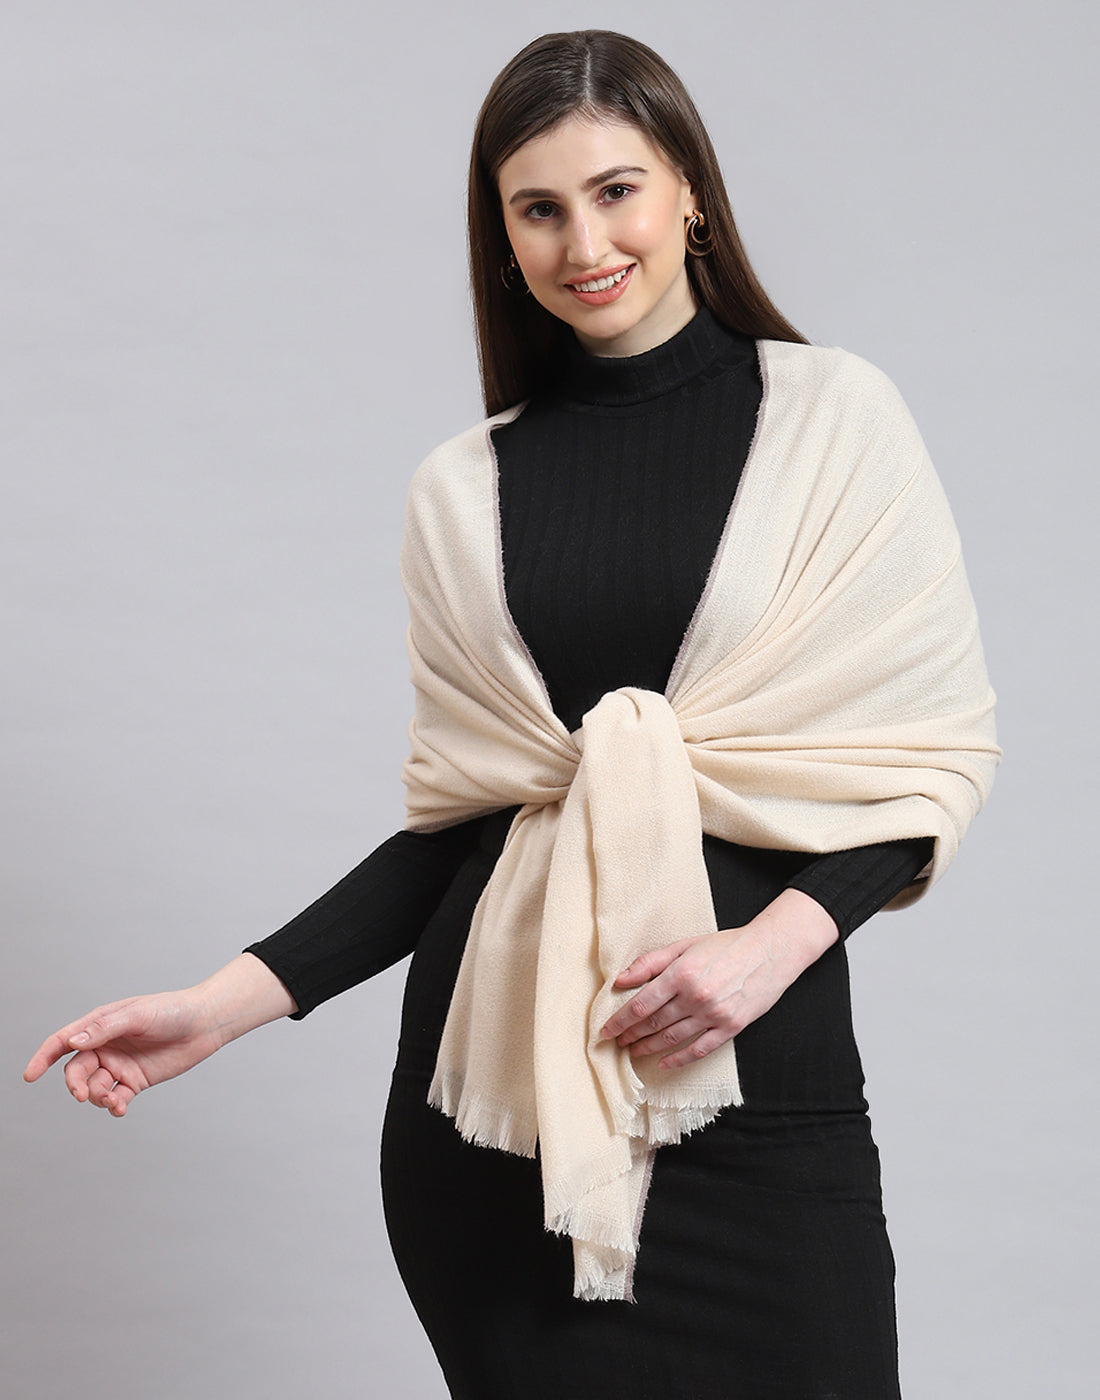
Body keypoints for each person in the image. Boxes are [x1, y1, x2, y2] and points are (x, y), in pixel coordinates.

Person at [24, 29, 998, 1400]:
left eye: (616, 190)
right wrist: (217, 1009)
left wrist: (765, 952)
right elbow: (462, 836)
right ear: (502, 238)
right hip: (493, 1143)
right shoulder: (461, 492)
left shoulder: (836, 423)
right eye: (538, 209)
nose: (583, 242)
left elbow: (919, 766)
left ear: (690, 192)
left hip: (761, 1093)